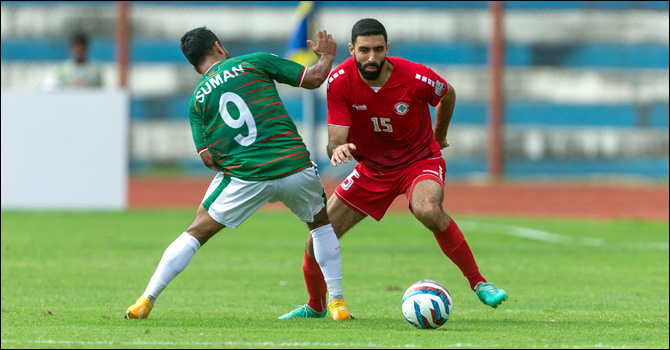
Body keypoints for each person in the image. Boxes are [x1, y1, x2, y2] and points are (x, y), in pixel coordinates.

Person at [279, 18, 508, 320]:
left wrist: (439, 136)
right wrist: (339, 149)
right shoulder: (340, 81)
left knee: (428, 209)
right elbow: (334, 140)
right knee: (318, 236)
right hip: (372, 170)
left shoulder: (415, 77)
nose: (371, 58)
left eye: (377, 49)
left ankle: (479, 283)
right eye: (364, 50)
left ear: (387, 48)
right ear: (352, 50)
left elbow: (447, 93)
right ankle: (316, 305)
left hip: (418, 162)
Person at [125, 26, 354, 321]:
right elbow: (314, 79)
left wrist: (238, 160)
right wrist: (325, 57)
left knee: (196, 232)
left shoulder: (198, 100)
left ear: (195, 66)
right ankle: (337, 303)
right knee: (320, 225)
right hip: (293, 165)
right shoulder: (254, 61)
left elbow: (207, 158)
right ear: (218, 47)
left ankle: (146, 299)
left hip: (246, 176)